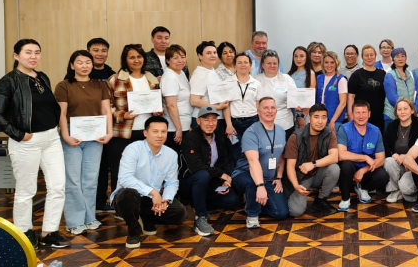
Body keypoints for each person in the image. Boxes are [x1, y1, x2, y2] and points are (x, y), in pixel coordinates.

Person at [0, 39, 69, 249]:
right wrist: (19, 134)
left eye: (37, 52)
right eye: (28, 52)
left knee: (58, 187)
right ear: (16, 55)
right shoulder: (7, 81)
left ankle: (48, 232)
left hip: (51, 139)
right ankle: (24, 233)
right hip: (27, 141)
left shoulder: (42, 77)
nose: (33, 56)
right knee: (26, 190)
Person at [55, 50, 113, 235]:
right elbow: (62, 113)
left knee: (90, 179)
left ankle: (89, 217)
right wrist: (65, 135)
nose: (84, 66)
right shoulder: (64, 86)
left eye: (88, 62)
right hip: (72, 134)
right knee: (73, 180)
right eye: (80, 62)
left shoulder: (100, 85)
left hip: (95, 136)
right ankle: (74, 221)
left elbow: (106, 110)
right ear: (72, 65)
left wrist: (109, 132)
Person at [111, 116, 187, 249]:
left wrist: (166, 199)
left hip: (151, 200)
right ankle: (133, 231)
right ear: (145, 133)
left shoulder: (171, 154)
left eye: (163, 132)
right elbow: (125, 178)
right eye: (155, 131)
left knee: (180, 213)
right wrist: (153, 192)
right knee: (129, 194)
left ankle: (146, 217)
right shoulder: (133, 149)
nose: (160, 135)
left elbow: (172, 182)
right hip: (127, 197)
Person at [107, 44, 163, 213]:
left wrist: (158, 111)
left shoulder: (151, 79)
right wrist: (123, 115)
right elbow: (107, 107)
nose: (136, 60)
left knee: (145, 171)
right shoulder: (115, 79)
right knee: (120, 172)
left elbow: (159, 104)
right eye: (132, 57)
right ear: (125, 60)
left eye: (139, 57)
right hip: (123, 133)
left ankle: (144, 207)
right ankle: (120, 208)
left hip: (146, 133)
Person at [179, 107, 241, 236]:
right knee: (203, 174)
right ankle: (200, 217)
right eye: (206, 120)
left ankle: (199, 203)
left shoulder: (218, 135)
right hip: (191, 183)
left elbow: (224, 161)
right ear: (198, 121)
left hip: (211, 182)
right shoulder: (190, 138)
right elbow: (196, 166)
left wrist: (224, 180)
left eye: (214, 120)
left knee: (232, 200)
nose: (210, 123)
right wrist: (221, 174)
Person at [232, 97, 288, 228]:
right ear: (258, 112)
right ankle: (252, 215)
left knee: (281, 213)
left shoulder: (281, 131)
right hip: (244, 174)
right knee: (252, 182)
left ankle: (252, 199)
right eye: (265, 108)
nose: (269, 111)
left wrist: (278, 177)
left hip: (268, 178)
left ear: (276, 110)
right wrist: (260, 186)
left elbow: (281, 157)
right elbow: (253, 162)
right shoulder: (251, 132)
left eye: (272, 108)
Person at [285, 104, 341, 216]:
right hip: (301, 177)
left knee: (334, 169)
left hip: (318, 173)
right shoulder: (296, 136)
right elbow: (290, 166)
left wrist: (313, 164)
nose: (320, 121)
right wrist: (296, 185)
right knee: (296, 212)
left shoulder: (329, 133)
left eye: (323, 117)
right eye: (316, 117)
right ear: (309, 119)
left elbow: (334, 157)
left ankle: (320, 199)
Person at [336, 100, 389, 211]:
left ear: (369, 114)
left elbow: (381, 159)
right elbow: (341, 154)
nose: (361, 116)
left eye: (364, 112)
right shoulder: (344, 129)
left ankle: (362, 187)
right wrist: (365, 157)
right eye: (357, 112)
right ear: (352, 114)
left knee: (383, 176)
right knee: (346, 166)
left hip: (366, 169)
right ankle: (345, 198)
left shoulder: (375, 130)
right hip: (350, 168)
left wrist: (363, 170)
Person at [89, 37, 117, 214]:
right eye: (96, 50)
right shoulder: (81, 73)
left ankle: (111, 201)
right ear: (88, 52)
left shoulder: (113, 75)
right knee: (94, 168)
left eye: (103, 50)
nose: (100, 54)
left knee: (110, 165)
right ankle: (95, 202)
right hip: (88, 127)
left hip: (109, 126)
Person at [383, 98, 418, 203]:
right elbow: (386, 144)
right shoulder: (392, 126)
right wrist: (394, 154)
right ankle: (395, 190)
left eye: (405, 109)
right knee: (388, 161)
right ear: (396, 112)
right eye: (399, 109)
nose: (402, 112)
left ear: (412, 110)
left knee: (406, 188)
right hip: (398, 163)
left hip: (413, 166)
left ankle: (403, 189)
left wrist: (407, 157)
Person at [256, 49, 303, 139]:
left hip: (285, 124)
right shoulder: (256, 80)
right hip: (263, 125)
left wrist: (296, 105)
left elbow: (295, 98)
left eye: (275, 63)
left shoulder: (286, 79)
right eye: (269, 63)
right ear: (262, 65)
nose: (272, 66)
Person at [224, 52, 262, 162]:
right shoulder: (227, 82)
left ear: (250, 65)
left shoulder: (256, 83)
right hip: (234, 124)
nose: (243, 65)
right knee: (234, 153)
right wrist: (229, 125)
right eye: (239, 62)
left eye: (245, 62)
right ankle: (235, 173)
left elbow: (258, 105)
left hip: (252, 122)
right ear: (235, 65)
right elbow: (226, 105)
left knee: (251, 153)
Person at [190, 41, 229, 132]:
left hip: (215, 117)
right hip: (204, 119)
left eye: (214, 53)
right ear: (200, 56)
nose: (213, 55)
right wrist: (218, 107)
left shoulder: (211, 70)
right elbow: (194, 100)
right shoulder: (200, 74)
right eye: (208, 53)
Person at [160, 44, 191, 153]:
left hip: (184, 124)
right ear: (168, 60)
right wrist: (178, 128)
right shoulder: (169, 77)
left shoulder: (181, 72)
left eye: (183, 57)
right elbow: (171, 105)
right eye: (175, 58)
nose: (180, 60)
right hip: (174, 128)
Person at [347, 45, 387, 129]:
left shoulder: (382, 74)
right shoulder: (356, 75)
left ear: (375, 56)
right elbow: (351, 97)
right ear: (362, 57)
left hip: (379, 117)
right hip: (360, 118)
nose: (369, 57)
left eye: (371, 55)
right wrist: (351, 115)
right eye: (366, 55)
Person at [383, 48, 418, 125]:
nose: (400, 59)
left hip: (410, 115)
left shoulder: (411, 74)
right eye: (397, 56)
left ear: (406, 58)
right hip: (392, 116)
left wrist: (414, 110)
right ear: (393, 59)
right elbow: (392, 98)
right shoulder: (389, 75)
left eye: (402, 56)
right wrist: (406, 110)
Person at [317, 51, 348, 132]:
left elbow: (343, 103)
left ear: (336, 63)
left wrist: (333, 121)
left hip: (334, 121)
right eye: (326, 62)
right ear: (323, 63)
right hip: (319, 120)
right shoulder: (318, 78)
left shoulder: (341, 79)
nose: (329, 65)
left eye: (332, 62)